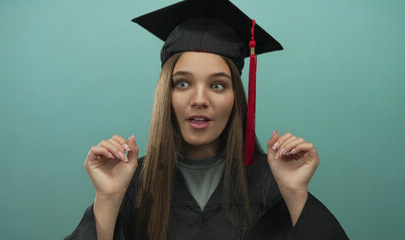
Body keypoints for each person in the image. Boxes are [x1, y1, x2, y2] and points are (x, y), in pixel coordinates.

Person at [65, 0, 348, 239]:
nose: (199, 100)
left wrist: (295, 193)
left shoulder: (271, 184)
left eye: (218, 85)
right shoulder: (133, 185)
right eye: (183, 83)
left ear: (236, 97)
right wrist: (108, 199)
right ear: (167, 94)